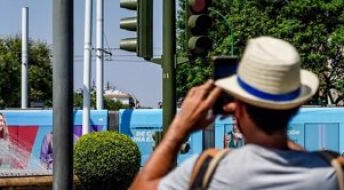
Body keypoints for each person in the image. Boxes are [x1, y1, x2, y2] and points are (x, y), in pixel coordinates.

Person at [131, 36, 338, 190]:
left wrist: (178, 130)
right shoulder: (333, 174)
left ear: (238, 107)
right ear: (295, 106)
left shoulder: (208, 171)